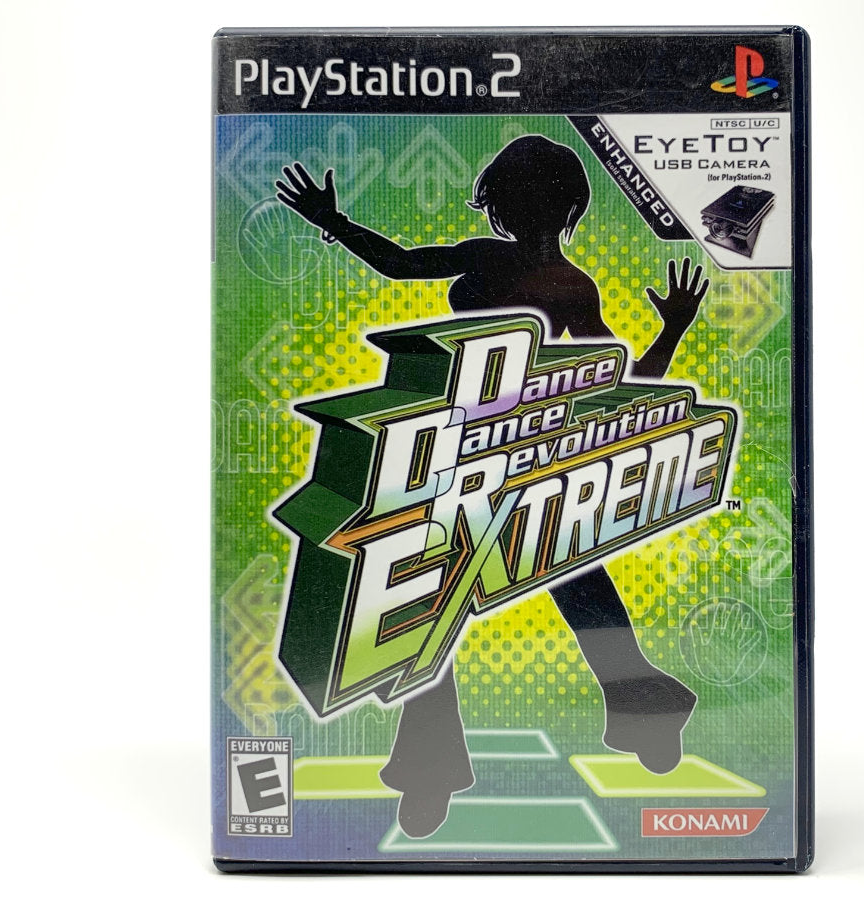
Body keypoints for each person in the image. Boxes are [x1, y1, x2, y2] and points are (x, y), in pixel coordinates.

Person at [277, 135, 711, 838]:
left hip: (514, 456)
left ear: (525, 207)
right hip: (471, 456)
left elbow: (615, 388)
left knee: (489, 598)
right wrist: (335, 222)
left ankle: (634, 718)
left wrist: (673, 332)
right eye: (517, 198)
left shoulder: (559, 283)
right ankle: (626, 721)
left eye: (521, 199)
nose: (518, 211)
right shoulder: (526, 270)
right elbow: (400, 265)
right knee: (453, 602)